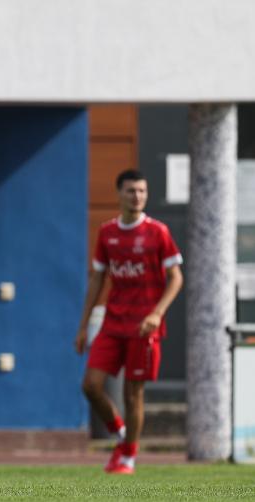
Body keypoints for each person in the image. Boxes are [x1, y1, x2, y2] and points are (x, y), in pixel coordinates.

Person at [75, 169, 183, 475]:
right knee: (91, 385)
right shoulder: (107, 232)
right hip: (113, 322)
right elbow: (98, 278)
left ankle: (128, 458)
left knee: (132, 393)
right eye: (131, 191)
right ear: (119, 193)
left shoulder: (157, 232)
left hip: (143, 326)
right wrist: (83, 325)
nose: (137, 197)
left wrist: (157, 312)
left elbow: (176, 278)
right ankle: (121, 432)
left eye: (142, 191)